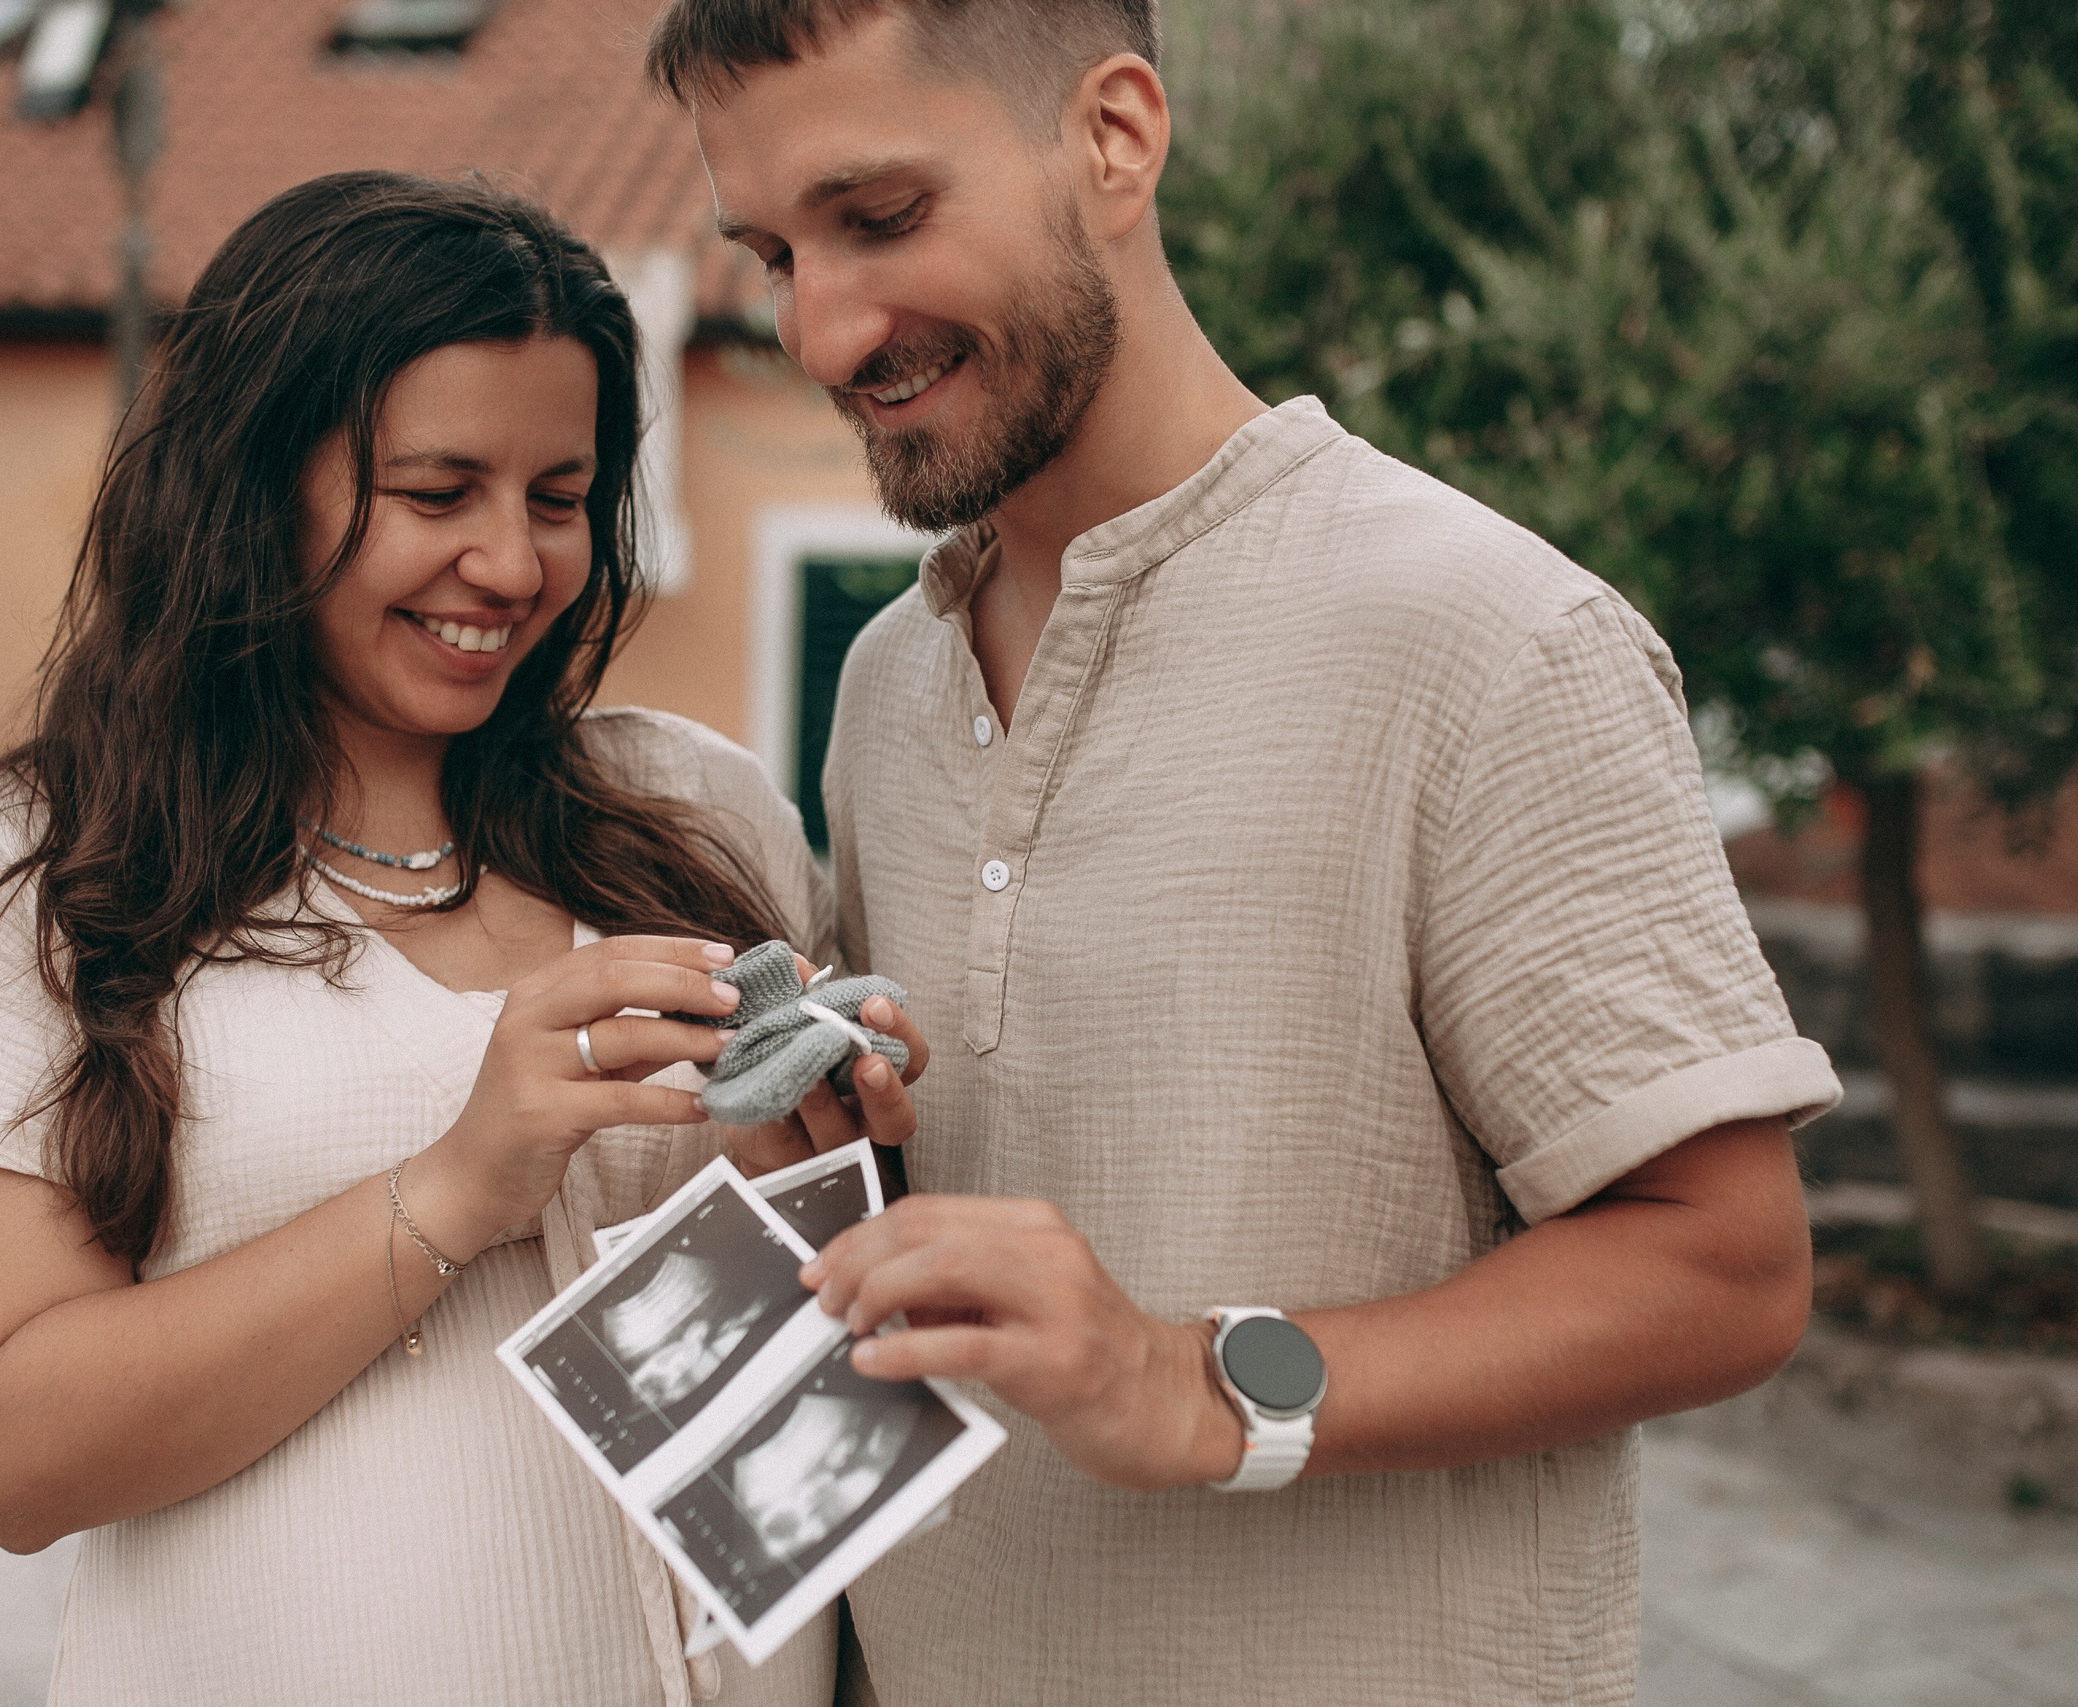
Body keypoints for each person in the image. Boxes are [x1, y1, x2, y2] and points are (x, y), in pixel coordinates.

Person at [646, 3, 1844, 1703]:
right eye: (770, 251)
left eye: (881, 218)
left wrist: (1191, 1381)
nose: (823, 329)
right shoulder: (885, 679)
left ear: (1116, 138)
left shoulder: (1491, 637)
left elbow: (1728, 1268)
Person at [0, 171, 923, 1707]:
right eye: (435, 492)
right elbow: (9, 1461)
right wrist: (460, 1186)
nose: (515, 567)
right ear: (257, 485)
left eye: (556, 498)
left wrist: (807, 1185)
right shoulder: (54, 864)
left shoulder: (699, 812)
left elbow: (786, 1447)